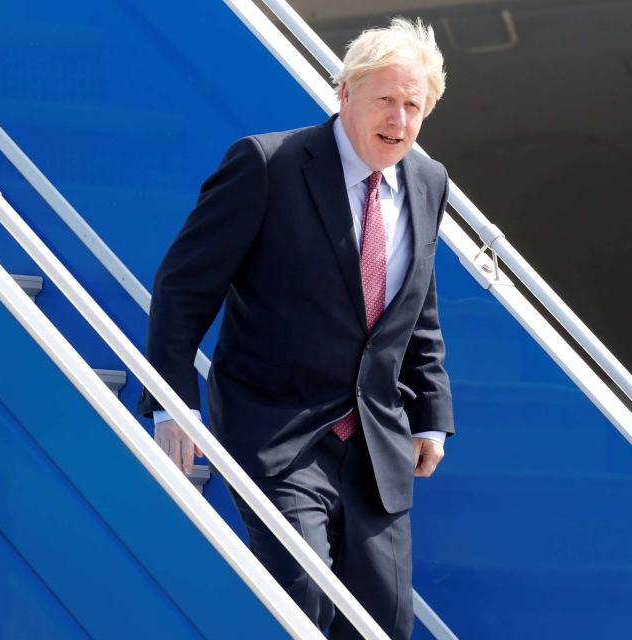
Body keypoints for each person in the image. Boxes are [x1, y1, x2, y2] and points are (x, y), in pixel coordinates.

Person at [138, 17, 454, 640]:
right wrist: (172, 403)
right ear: (344, 94)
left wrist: (431, 413)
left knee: (382, 622)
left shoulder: (427, 181)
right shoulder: (268, 165)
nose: (398, 119)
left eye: (412, 105)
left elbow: (417, 307)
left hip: (376, 442)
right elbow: (184, 286)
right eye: (384, 100)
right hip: (275, 429)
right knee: (300, 599)